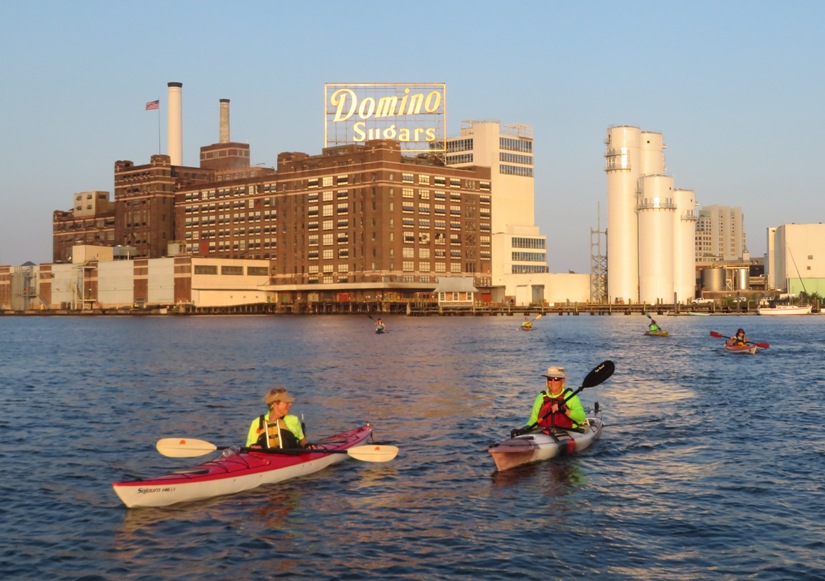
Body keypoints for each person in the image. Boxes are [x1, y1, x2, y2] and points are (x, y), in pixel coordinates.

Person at [511, 366, 587, 437]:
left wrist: (565, 410)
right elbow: (534, 419)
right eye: (550, 379)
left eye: (556, 379)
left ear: (562, 381)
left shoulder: (571, 397)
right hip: (544, 433)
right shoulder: (541, 397)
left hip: (567, 432)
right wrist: (524, 429)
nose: (552, 381)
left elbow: (581, 418)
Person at [246, 387, 312, 449]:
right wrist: (253, 447)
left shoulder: (294, 420)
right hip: (265, 459)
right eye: (286, 402)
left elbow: (302, 440)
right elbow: (249, 446)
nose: (290, 404)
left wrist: (307, 445)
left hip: (290, 456)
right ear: (275, 404)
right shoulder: (257, 422)